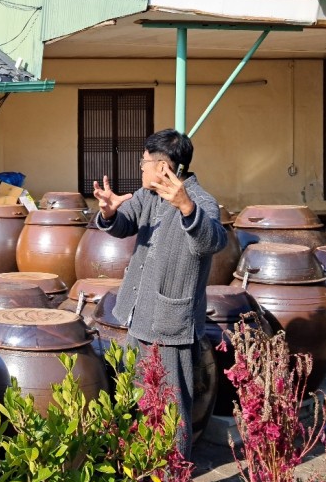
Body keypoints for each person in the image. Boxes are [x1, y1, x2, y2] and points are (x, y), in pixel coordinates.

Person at [91, 128, 227, 460]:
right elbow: (124, 223)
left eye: (144, 162)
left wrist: (187, 209)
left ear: (163, 167)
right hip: (138, 316)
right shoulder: (148, 196)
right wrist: (109, 213)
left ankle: (173, 478)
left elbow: (213, 241)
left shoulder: (201, 202)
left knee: (171, 411)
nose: (141, 168)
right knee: (136, 401)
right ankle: (142, 469)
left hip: (171, 325)